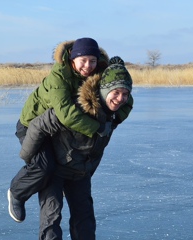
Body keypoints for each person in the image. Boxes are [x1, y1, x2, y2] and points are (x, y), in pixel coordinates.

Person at [7, 37, 133, 223]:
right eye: (83, 60)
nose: (88, 66)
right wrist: (97, 127)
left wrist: (115, 118)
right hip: (31, 125)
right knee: (44, 167)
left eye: (92, 60)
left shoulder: (99, 71)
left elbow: (123, 93)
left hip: (55, 129)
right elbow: (66, 114)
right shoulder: (59, 76)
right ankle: (17, 193)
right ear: (72, 59)